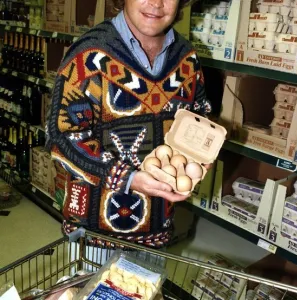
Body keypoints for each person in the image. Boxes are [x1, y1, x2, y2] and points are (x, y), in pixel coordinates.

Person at [47, 0, 212, 249]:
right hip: (95, 236)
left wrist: (199, 156)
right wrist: (128, 178)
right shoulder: (88, 55)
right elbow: (61, 137)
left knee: (148, 287)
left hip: (158, 228)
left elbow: (200, 114)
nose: (156, 3)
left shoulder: (187, 58)